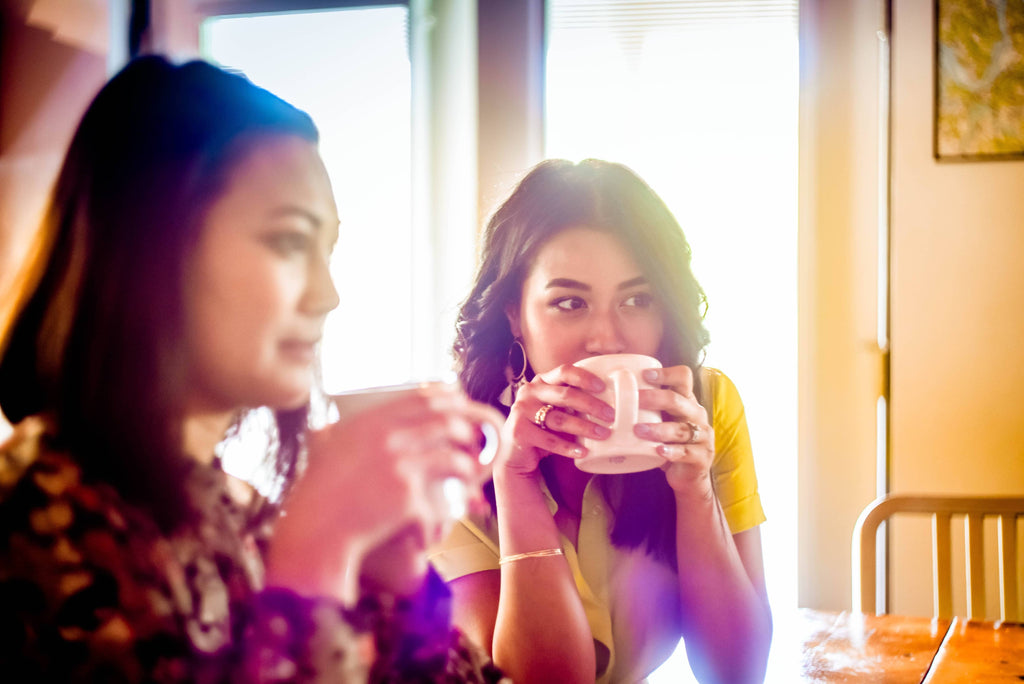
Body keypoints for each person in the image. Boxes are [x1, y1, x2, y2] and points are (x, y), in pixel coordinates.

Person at [0, 55, 506, 683]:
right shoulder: (37, 515)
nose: (328, 296)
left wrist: (395, 589)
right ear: (154, 246)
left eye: (329, 251)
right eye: (290, 241)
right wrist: (317, 555)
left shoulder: (237, 514)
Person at [430, 159, 773, 683]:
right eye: (569, 303)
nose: (607, 339)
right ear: (513, 316)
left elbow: (737, 673)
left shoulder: (707, 407)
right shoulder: (452, 444)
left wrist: (695, 493)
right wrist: (514, 480)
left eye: (638, 300)